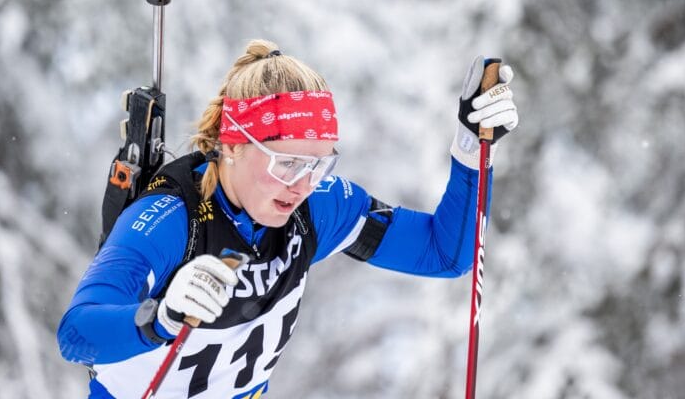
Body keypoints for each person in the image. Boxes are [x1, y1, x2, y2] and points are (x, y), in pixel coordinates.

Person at [57, 39, 519, 399]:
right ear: (231, 145)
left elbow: (446, 254)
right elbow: (76, 332)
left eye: (318, 164)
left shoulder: (316, 206)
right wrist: (159, 318)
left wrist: (471, 150)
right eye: (286, 162)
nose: (301, 184)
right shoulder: (169, 220)